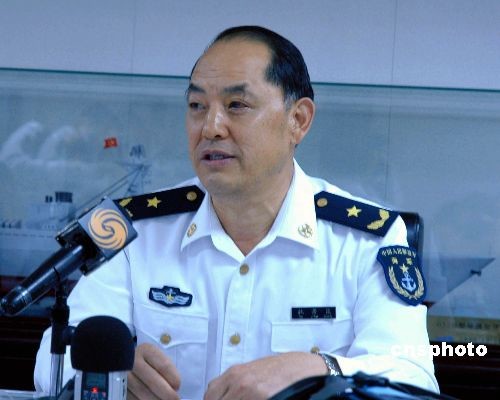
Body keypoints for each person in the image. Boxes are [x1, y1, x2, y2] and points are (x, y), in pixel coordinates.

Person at [34, 25, 439, 399]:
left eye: (237, 105)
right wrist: (105, 369)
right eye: (197, 105)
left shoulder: (365, 240)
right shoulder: (135, 230)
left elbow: (413, 375)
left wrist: (322, 369)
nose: (211, 127)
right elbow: (52, 360)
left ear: (298, 120)